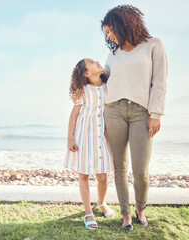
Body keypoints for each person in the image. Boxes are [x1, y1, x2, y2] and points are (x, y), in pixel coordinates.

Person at [101, 5, 168, 231]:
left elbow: (159, 81)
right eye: (106, 33)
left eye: (110, 30)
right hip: (113, 110)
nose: (109, 36)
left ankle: (141, 209)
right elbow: (103, 84)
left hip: (141, 112)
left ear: (124, 23)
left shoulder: (153, 45)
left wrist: (156, 114)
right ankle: (126, 214)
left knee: (141, 170)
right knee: (119, 167)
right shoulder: (113, 54)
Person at [64, 58, 115, 230]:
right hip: (83, 135)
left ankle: (101, 202)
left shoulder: (108, 86)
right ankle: (88, 212)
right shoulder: (82, 91)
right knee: (84, 174)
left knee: (102, 174)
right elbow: (74, 115)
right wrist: (70, 138)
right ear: (86, 73)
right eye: (92, 62)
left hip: (102, 135)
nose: (98, 61)